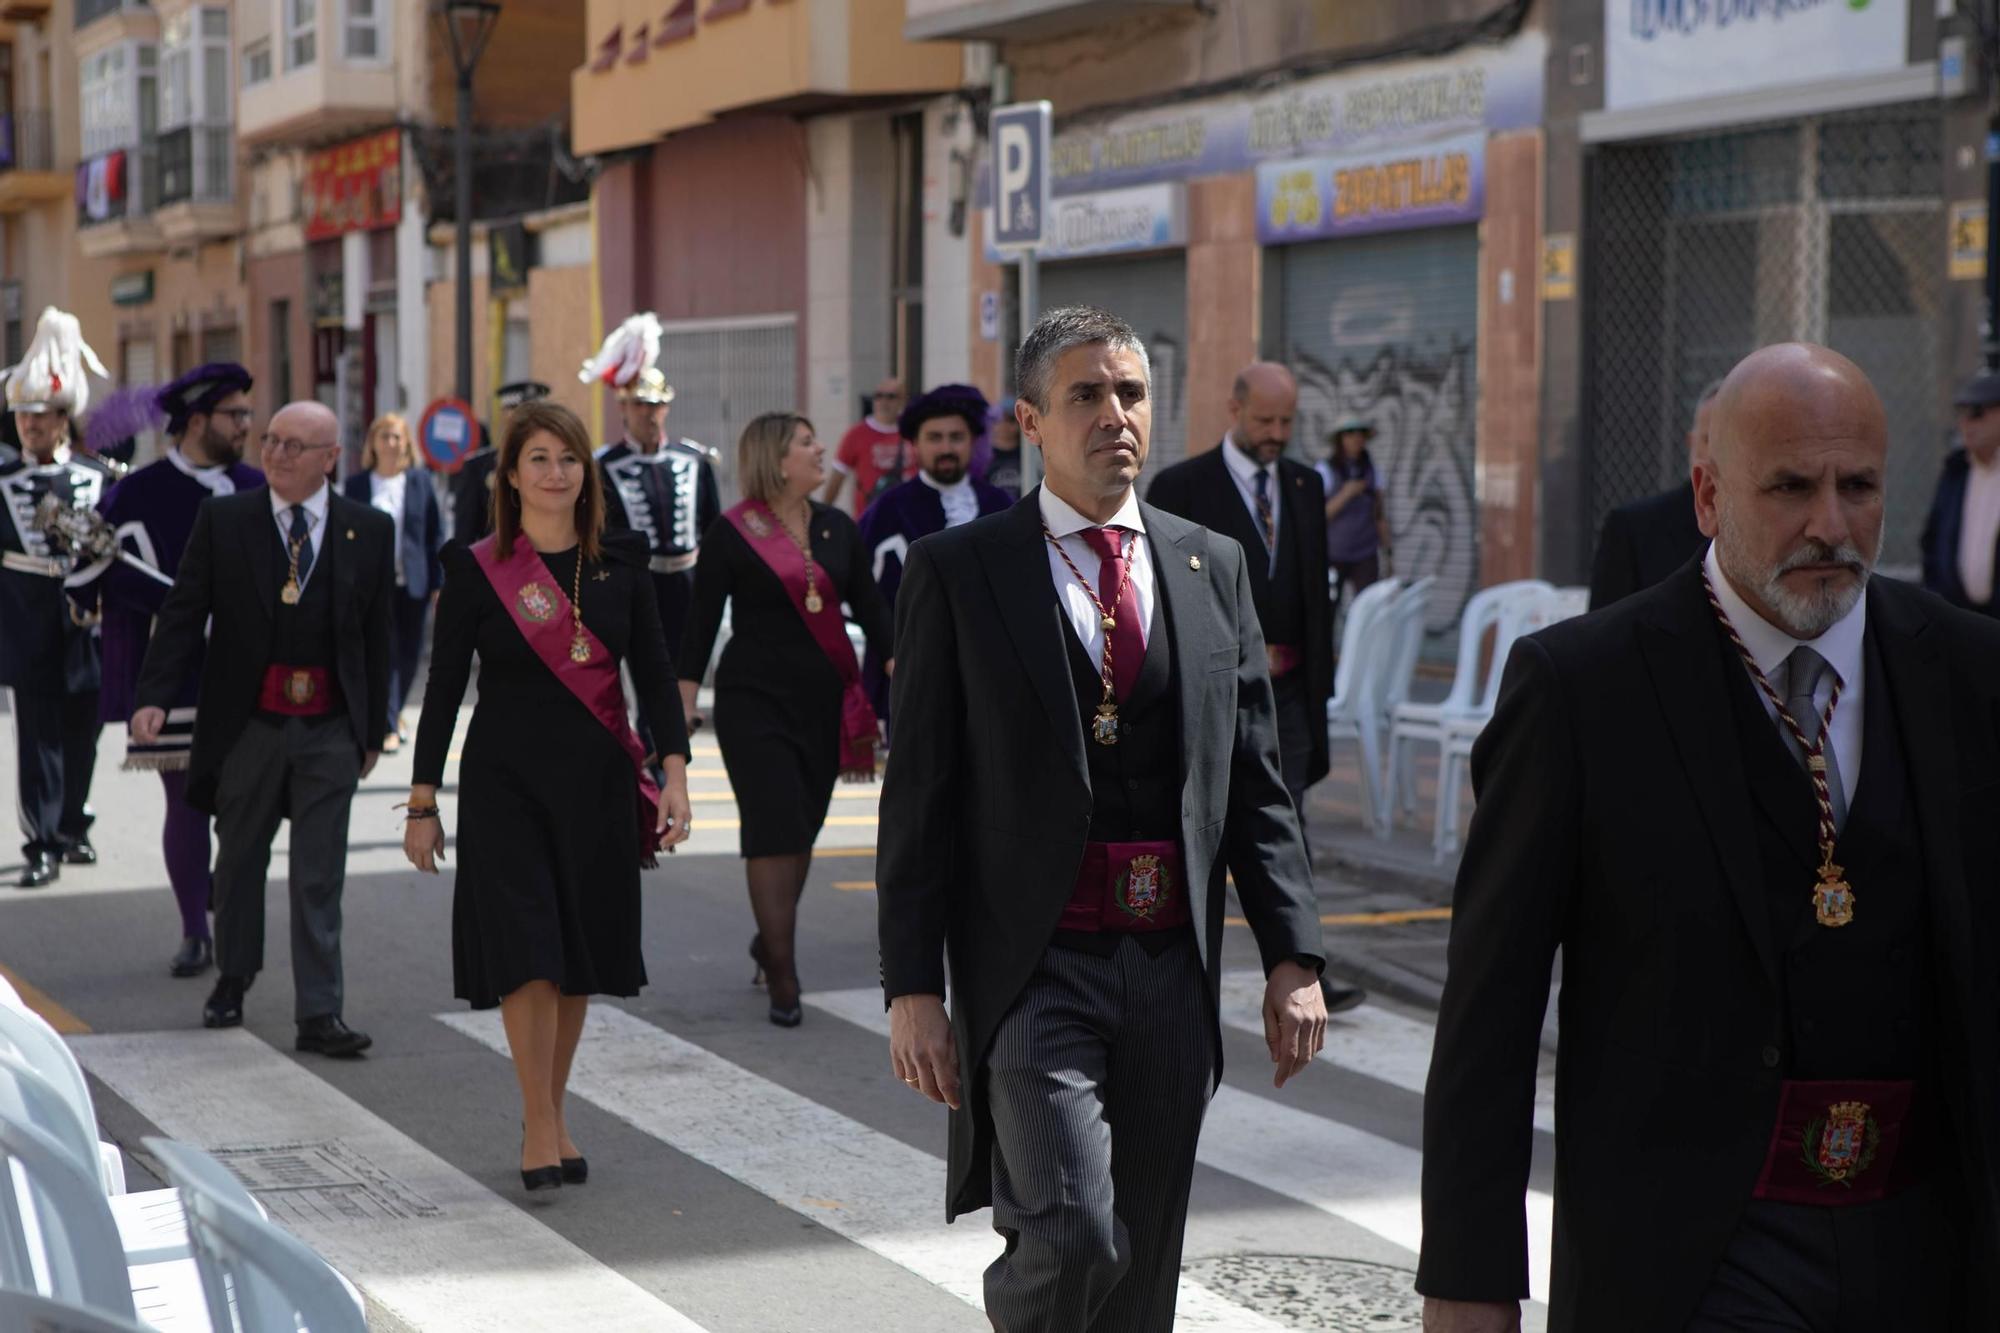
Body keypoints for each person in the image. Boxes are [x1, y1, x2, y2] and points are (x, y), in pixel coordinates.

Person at [1418, 343, 2000, 1333]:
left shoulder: (1966, 672)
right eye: (1787, 487)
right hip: (1693, 1254)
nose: (1827, 523)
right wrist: (1470, 1285)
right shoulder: (1581, 691)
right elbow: (1490, 1012)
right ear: (1705, 494)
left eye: (1855, 486)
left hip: (1928, 1240)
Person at [879, 307, 1331, 1332]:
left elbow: (1253, 779)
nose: (1114, 415)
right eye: (1085, 394)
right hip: (1038, 964)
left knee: (1140, 1262)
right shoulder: (963, 571)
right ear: (1031, 423)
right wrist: (912, 987)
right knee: (1072, 1230)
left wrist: (1292, 956)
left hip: (1169, 963)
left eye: (1129, 392)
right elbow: (921, 798)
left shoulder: (1209, 564)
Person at [404, 401, 693, 1191]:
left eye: (568, 458)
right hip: (504, 783)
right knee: (526, 952)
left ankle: (552, 1109)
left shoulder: (621, 562)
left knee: (574, 960)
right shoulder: (477, 566)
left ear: (585, 472)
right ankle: (537, 1119)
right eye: (538, 458)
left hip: (597, 783)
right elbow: (441, 688)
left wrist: (674, 771)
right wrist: (423, 800)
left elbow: (657, 674)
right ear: (510, 474)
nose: (555, 472)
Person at [132, 401, 394, 1056]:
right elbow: (185, 610)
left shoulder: (368, 528)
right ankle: (234, 978)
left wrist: (375, 728)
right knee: (240, 861)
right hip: (250, 722)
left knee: (319, 872)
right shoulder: (226, 520)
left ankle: (320, 1012)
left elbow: (378, 637)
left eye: (295, 445)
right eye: (271, 440)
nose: (275, 453)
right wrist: (155, 696)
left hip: (331, 726)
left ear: (331, 458)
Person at [679, 412, 893, 1028]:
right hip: (753, 706)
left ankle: (767, 940)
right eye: (807, 443)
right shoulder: (732, 533)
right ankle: (783, 972)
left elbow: (875, 615)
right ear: (777, 459)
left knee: (802, 830)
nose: (821, 448)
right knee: (774, 827)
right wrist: (684, 705)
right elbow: (698, 627)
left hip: (824, 706)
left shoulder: (836, 529)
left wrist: (906, 665)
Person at [81, 362, 261, 972]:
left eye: (246, 415)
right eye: (235, 415)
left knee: (242, 805)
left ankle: (225, 905)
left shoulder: (257, 486)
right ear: (197, 421)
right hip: (174, 673)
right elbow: (84, 583)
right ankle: (194, 931)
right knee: (185, 801)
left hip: (250, 674)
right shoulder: (138, 492)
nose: (245, 426)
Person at [0, 307, 113, 889]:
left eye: (40, 418)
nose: (30, 428)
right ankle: (39, 841)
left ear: (64, 419)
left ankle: (73, 825)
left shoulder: (101, 475)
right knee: (37, 737)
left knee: (82, 729)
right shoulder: (2, 480)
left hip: (85, 623)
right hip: (25, 619)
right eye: (22, 418)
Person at [855, 384, 1013, 727]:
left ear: (972, 442)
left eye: (956, 437)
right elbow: (863, 592)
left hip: (988, 676)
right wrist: (890, 653)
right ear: (916, 444)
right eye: (935, 437)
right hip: (911, 672)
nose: (946, 448)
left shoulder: (1000, 506)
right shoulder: (889, 510)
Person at [343, 413, 444, 753]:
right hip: (371, 583)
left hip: (413, 580)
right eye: (383, 436)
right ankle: (387, 724)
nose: (390, 443)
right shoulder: (357, 486)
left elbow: (434, 534)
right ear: (372, 442)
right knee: (381, 651)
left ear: (406, 443)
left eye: (396, 436)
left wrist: (438, 583)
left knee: (410, 652)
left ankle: (394, 713)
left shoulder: (419, 482)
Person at [1587, 380, 1718, 611]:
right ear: (1691, 443)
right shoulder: (1633, 530)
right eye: (1710, 440)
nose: (1719, 452)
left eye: (1731, 441)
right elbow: (1600, 636)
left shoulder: (1774, 528)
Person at [1919, 367, 2000, 618]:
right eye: (1962, 414)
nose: (1966, 424)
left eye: (1977, 413)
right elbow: (1932, 542)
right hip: (1963, 622)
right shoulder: (1956, 472)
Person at [452, 380, 550, 543]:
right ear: (506, 417)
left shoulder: (558, 466)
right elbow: (464, 537)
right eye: (520, 415)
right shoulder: (478, 468)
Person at [1316, 417, 1391, 602]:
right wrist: (1346, 494)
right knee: (1327, 608)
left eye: (1361, 433)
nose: (1356, 438)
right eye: (1350, 433)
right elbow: (1317, 516)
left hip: (1366, 554)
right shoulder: (1325, 470)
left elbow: (1379, 514)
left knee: (1368, 610)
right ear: (1339, 439)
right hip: (1333, 554)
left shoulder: (1373, 470)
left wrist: (1388, 554)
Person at [822, 377, 908, 517]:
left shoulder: (911, 431)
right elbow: (836, 479)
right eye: (878, 396)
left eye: (891, 396)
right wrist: (823, 515)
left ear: (902, 400)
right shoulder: (856, 434)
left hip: (908, 516)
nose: (883, 402)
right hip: (870, 518)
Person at [983, 397, 1025, 498]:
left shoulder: (1028, 457)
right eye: (998, 420)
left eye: (1010, 420)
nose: (1004, 425)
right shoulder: (983, 458)